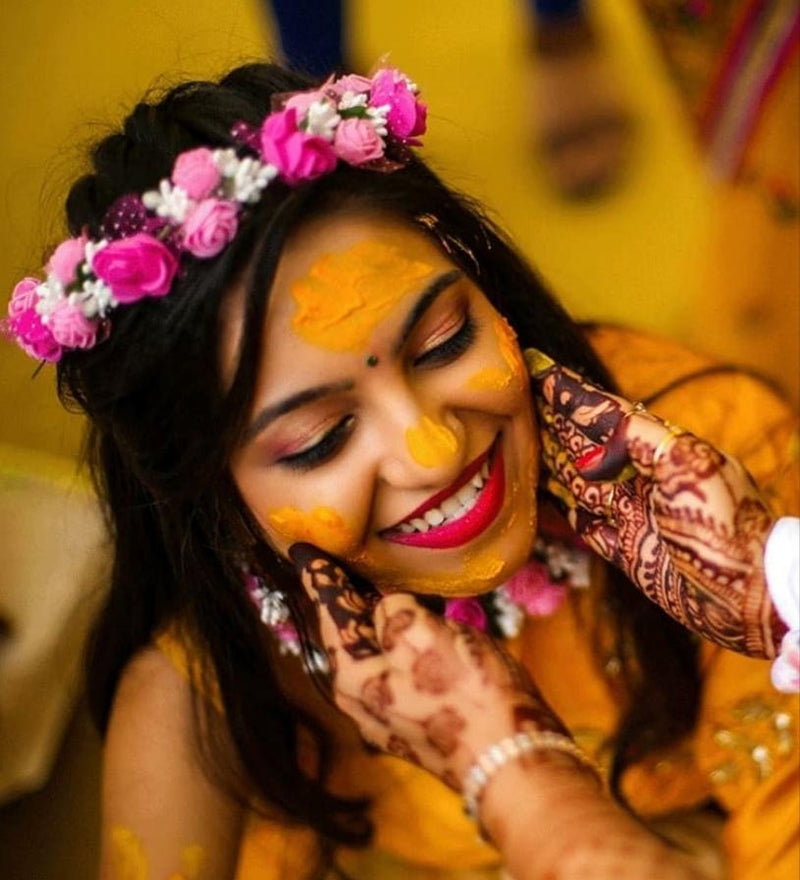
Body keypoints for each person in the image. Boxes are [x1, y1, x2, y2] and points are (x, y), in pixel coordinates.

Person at [5, 62, 798, 880]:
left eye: (445, 341)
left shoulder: (693, 469)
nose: (436, 449)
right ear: (212, 497)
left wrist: (510, 766)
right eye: (320, 439)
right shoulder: (208, 695)